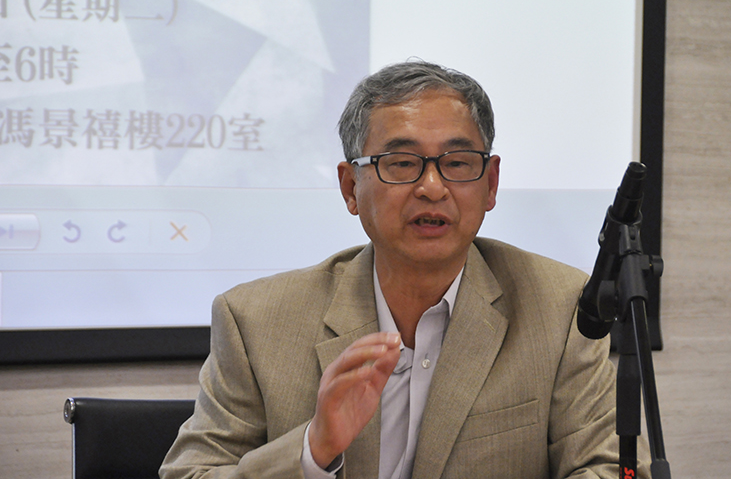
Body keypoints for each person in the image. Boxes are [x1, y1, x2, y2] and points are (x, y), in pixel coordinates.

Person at [160, 61, 651, 479]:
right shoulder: (256, 322)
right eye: (401, 163)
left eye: (458, 162)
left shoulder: (559, 309)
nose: (433, 187)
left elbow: (608, 467)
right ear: (350, 188)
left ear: (491, 183)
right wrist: (312, 450)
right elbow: (190, 472)